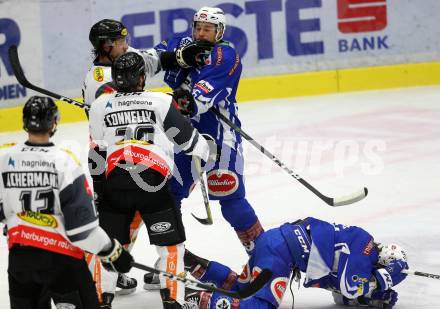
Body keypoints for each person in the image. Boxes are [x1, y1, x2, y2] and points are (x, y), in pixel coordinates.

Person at [83, 18, 213, 305]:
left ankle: (99, 298)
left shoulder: (101, 104)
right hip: (152, 183)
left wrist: (99, 188)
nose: (126, 44)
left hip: (114, 179)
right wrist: (205, 153)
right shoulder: (159, 101)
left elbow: (97, 149)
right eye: (119, 41)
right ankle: (172, 299)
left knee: (106, 244)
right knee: (170, 248)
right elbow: (193, 144)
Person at [0, 96, 133, 309]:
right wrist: (112, 251)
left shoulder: (5, 158)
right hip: (61, 261)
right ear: (54, 123)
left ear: (25, 122)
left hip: (21, 261)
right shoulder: (64, 161)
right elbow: (82, 230)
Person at [154, 5, 263, 255]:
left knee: (231, 199)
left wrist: (178, 101)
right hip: (186, 135)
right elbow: (151, 60)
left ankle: (262, 256)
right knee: (169, 193)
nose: (201, 33)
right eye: (198, 28)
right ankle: (172, 258)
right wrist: (178, 57)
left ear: (220, 32)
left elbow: (197, 101)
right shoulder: (180, 43)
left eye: (208, 29)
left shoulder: (226, 56)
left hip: (220, 136)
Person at [182, 217, 409, 309]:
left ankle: (191, 263)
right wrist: (383, 281)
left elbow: (342, 296)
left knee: (241, 289)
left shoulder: (361, 246)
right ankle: (191, 298)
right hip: (281, 254)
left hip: (275, 244)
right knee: (261, 307)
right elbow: (350, 286)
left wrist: (372, 298)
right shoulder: (366, 251)